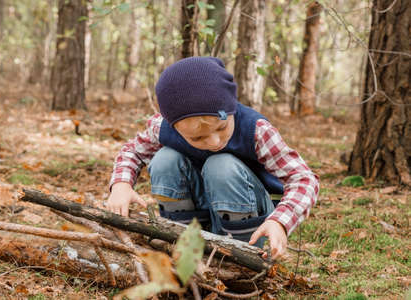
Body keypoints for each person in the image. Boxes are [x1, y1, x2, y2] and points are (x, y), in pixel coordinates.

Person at [106, 57, 319, 259]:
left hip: (251, 216)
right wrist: (121, 184)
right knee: (164, 159)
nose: (215, 141)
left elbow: (303, 178)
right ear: (173, 126)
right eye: (198, 137)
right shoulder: (161, 128)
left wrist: (280, 222)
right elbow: (132, 151)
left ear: (232, 106)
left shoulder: (256, 131)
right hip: (201, 208)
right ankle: (183, 241)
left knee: (221, 165)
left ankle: (239, 253)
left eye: (222, 127)